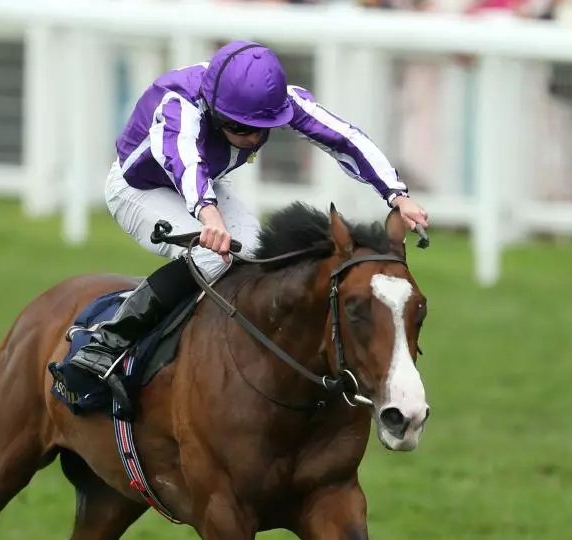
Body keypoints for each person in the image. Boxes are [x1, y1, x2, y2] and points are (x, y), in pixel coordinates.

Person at [67, 40, 430, 412]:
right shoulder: (179, 104)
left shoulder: (280, 100)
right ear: (214, 107)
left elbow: (346, 138)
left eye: (263, 128)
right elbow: (185, 161)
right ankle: (107, 342)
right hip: (141, 189)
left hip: (205, 186)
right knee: (213, 259)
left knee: (253, 259)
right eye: (241, 127)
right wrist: (208, 214)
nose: (254, 138)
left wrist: (396, 195)